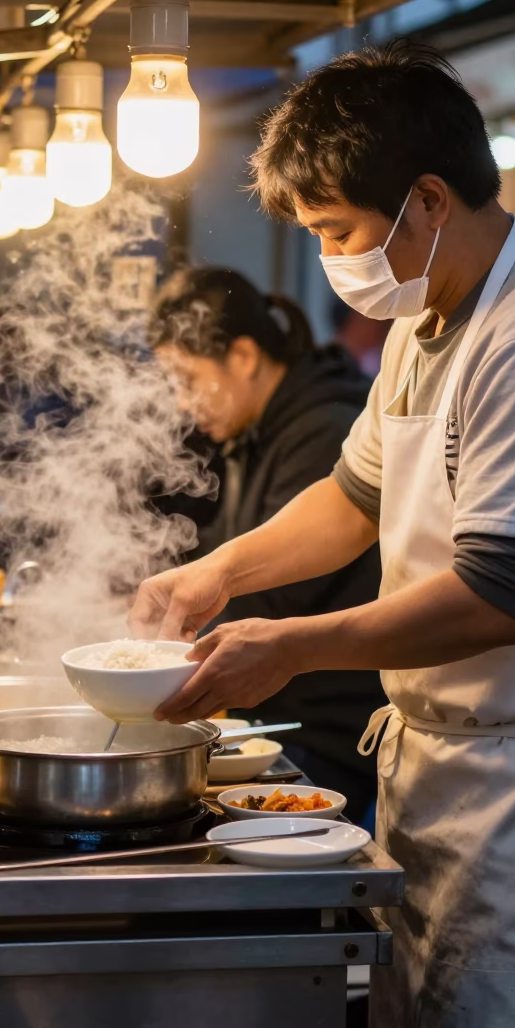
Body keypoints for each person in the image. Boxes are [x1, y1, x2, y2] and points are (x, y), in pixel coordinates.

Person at [130, 40, 515, 1028]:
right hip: (429, 770)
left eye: (339, 231)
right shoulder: (421, 317)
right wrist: (219, 572)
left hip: (514, 787)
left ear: (430, 198)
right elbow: (353, 499)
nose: (330, 261)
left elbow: (503, 590)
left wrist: (293, 645)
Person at [150, 265, 384, 824]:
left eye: (188, 380)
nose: (184, 405)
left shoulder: (324, 426)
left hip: (327, 735)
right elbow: (229, 547)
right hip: (278, 717)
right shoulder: (254, 430)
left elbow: (271, 597)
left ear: (245, 357)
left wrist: (148, 652)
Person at [331, 300, 390, 379]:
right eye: (366, 319)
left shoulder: (378, 357)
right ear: (351, 322)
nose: (377, 325)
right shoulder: (330, 367)